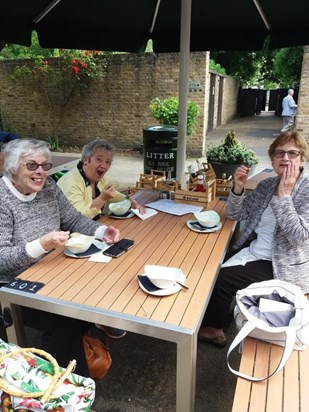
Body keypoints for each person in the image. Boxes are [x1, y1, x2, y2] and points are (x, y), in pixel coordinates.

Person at [0, 138, 120, 376]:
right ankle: (62, 386)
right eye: (32, 166)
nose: (41, 172)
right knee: (66, 319)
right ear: (13, 167)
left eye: (45, 165)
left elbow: (73, 219)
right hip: (12, 284)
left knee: (91, 297)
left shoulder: (48, 188)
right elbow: (1, 258)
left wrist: (101, 231)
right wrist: (41, 244)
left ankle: (71, 360)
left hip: (51, 269)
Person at [198, 130, 309, 348]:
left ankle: (215, 330)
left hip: (283, 265)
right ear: (272, 159)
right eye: (279, 153)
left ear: (303, 158)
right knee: (211, 263)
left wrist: (285, 197)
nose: (285, 158)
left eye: (293, 153)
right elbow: (235, 214)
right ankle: (220, 315)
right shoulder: (267, 185)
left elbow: (299, 238)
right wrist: (238, 188)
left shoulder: (307, 191)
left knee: (220, 279)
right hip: (257, 250)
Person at [57, 139, 144, 220]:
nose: (104, 166)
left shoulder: (99, 179)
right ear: (85, 160)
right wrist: (102, 199)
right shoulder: (71, 183)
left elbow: (114, 195)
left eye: (107, 162)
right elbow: (77, 219)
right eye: (99, 159)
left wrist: (132, 203)